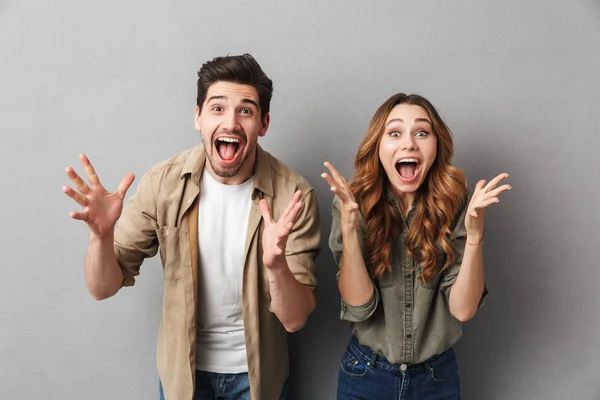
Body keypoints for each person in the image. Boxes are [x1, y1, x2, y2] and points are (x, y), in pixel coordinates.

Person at [63, 54, 321, 400]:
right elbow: (101, 288)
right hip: (183, 377)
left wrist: (275, 266)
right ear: (198, 116)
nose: (230, 122)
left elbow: (294, 320)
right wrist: (101, 236)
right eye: (217, 108)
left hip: (260, 381)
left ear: (264, 123)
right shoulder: (163, 184)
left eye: (245, 110)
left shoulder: (293, 195)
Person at [321, 93, 510, 399]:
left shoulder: (454, 200)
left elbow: (462, 310)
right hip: (365, 374)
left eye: (422, 133)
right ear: (378, 146)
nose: (409, 143)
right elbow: (358, 305)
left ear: (437, 145)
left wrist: (474, 235)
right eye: (394, 133)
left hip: (437, 379)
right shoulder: (352, 201)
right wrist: (349, 226)